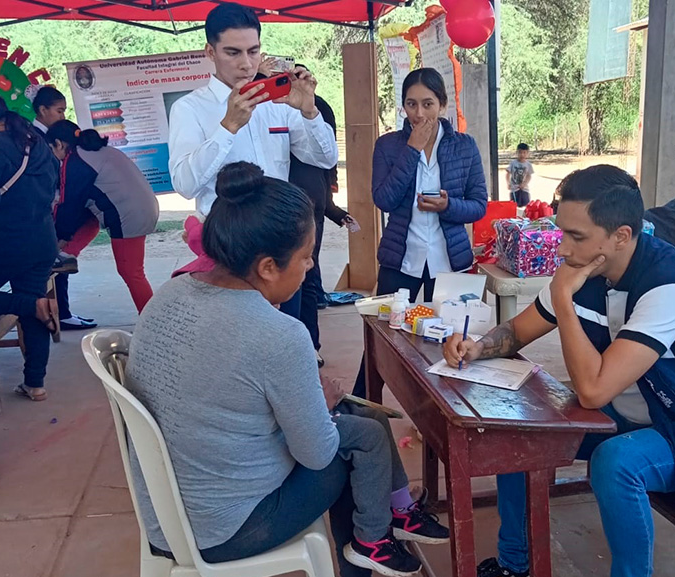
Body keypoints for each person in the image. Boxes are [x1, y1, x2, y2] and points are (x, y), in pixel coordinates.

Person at [440, 165, 675, 577]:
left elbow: (594, 390)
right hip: (631, 417)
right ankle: (516, 567)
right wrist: (478, 346)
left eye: (575, 236)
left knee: (617, 463)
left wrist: (561, 294)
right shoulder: (589, 266)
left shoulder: (667, 288)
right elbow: (516, 332)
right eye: (560, 232)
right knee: (517, 429)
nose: (562, 248)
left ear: (620, 235)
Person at [126, 162, 448, 577]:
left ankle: (388, 515)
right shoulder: (278, 335)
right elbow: (316, 454)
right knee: (350, 453)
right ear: (267, 267)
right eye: (305, 257)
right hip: (222, 529)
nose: (312, 267)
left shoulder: (169, 294)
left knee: (353, 416)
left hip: (167, 510)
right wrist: (319, 404)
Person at [166, 1, 337, 322]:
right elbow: (184, 185)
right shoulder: (190, 108)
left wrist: (310, 112)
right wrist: (227, 127)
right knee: (236, 343)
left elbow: (324, 157)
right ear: (210, 51)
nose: (246, 63)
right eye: (233, 52)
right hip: (227, 252)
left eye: (253, 51)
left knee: (286, 332)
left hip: (280, 245)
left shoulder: (278, 102)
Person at [351, 67, 486, 396]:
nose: (419, 113)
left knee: (453, 342)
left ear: (442, 105)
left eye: (428, 104)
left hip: (449, 260)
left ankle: (449, 408)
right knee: (384, 339)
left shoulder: (464, 147)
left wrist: (448, 206)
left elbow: (479, 204)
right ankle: (364, 403)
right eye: (411, 104)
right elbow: (383, 199)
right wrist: (411, 149)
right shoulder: (389, 146)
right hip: (401, 259)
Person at [46, 120, 158, 325]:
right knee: (90, 217)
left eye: (51, 149)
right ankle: (65, 254)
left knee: (131, 272)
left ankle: (154, 326)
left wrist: (59, 238)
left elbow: (68, 204)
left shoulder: (75, 161)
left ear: (59, 144)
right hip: (142, 207)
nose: (53, 155)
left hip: (129, 215)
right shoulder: (96, 151)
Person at [0, 92, 58, 402]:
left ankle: (30, 306)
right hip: (41, 240)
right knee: (33, 296)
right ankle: (35, 384)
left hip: (1, 244)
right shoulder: (34, 141)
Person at [283, 62, 353, 366]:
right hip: (281, 200)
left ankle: (311, 345)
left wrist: (331, 204)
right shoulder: (269, 105)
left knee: (307, 274)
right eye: (290, 75)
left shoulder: (318, 106)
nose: (296, 80)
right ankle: (293, 347)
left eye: (302, 75)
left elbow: (328, 157)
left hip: (310, 199)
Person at [506, 142, 534, 207]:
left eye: (524, 152)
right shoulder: (513, 163)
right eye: (520, 152)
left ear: (527, 153)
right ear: (517, 153)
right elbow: (507, 173)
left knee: (526, 206)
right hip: (514, 189)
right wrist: (508, 183)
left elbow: (529, 175)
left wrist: (524, 183)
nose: (522, 154)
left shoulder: (528, 164)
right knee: (514, 206)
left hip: (524, 189)